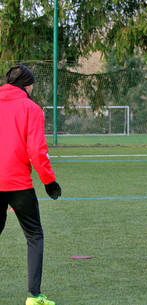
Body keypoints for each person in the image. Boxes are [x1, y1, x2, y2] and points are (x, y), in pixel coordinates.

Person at [0, 65, 62, 305]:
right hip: (18, 184)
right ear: (27, 84)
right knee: (34, 235)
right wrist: (49, 181)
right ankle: (34, 297)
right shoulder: (31, 108)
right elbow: (36, 149)